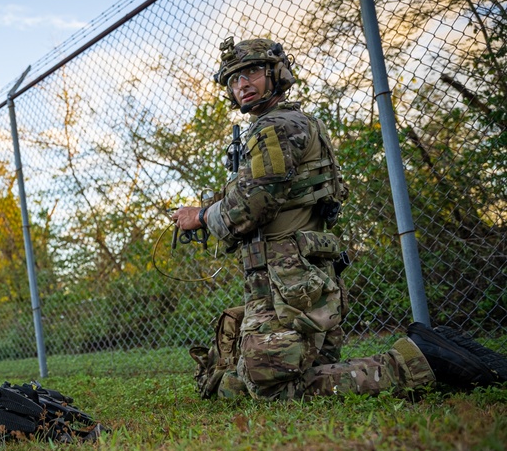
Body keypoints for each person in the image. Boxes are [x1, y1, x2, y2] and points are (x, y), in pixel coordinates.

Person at [176, 36, 500, 400]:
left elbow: (254, 204)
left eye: (252, 72)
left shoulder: (274, 127)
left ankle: (418, 360)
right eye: (235, 79)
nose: (243, 84)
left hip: (286, 279)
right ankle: (439, 352)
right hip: (300, 279)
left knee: (270, 387)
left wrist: (202, 216)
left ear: (276, 74)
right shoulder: (292, 123)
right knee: (250, 383)